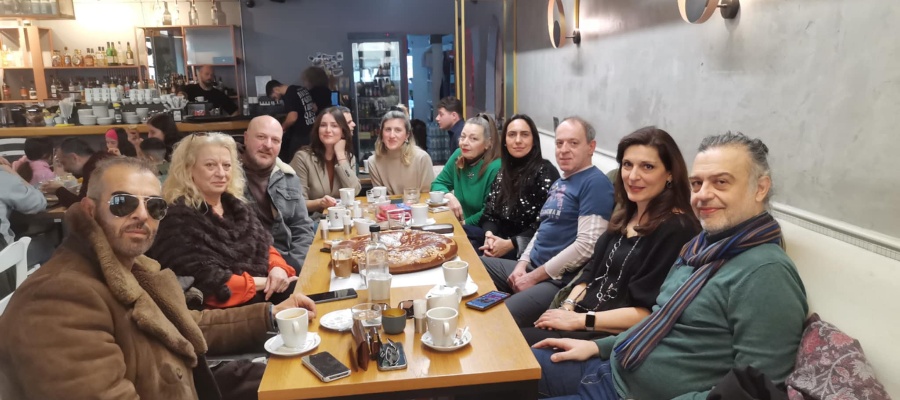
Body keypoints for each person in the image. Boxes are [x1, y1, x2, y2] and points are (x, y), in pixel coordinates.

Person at [0, 157, 317, 399]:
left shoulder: (133, 268)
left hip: (192, 383)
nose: (142, 214)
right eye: (122, 203)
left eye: (154, 206)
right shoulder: (57, 299)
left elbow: (187, 324)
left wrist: (272, 314)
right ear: (90, 209)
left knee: (308, 378)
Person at [533, 132, 808, 400]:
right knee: (510, 365)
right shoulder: (700, 247)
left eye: (721, 182)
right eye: (697, 183)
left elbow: (756, 389)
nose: (703, 195)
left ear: (760, 188)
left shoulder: (766, 272)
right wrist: (598, 347)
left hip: (626, 392)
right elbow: (659, 320)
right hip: (610, 368)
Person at [521, 127, 700, 345]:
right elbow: (589, 275)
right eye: (628, 165)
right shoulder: (625, 216)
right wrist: (566, 308)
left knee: (512, 345)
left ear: (670, 173)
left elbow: (649, 312)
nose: (633, 176)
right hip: (579, 320)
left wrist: (578, 321)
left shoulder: (677, 228)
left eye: (647, 167)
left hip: (611, 340)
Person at [484, 117, 615, 328]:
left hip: (556, 281)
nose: (564, 150)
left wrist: (533, 277)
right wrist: (522, 265)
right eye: (559, 143)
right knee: (471, 267)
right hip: (531, 267)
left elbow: (588, 246)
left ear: (591, 147)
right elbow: (542, 228)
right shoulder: (560, 183)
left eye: (573, 143)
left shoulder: (595, 183)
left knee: (499, 321)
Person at [147, 132, 298, 309]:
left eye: (226, 166)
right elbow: (206, 283)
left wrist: (278, 269)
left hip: (265, 296)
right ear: (188, 169)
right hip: (224, 314)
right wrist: (266, 282)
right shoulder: (176, 220)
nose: (221, 173)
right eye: (210, 165)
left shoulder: (238, 208)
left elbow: (265, 247)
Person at [475, 114, 560, 260]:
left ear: (534, 140)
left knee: (475, 261)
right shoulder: (503, 172)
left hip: (527, 250)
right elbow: (489, 214)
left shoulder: (546, 172)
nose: (518, 140)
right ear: (505, 142)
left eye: (525, 135)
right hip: (498, 241)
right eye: (512, 135)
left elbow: (546, 224)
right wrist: (489, 236)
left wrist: (510, 244)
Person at [241, 115, 315, 270]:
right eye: (261, 137)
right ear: (246, 138)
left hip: (287, 262)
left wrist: (292, 266)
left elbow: (302, 228)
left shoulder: (289, 177)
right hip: (247, 267)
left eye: (275, 140)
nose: (268, 145)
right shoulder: (225, 174)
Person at [431, 114, 502, 225]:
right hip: (458, 224)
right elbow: (437, 184)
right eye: (463, 137)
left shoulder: (496, 166)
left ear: (488, 143)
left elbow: (488, 212)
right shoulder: (458, 155)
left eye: (473, 139)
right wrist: (448, 195)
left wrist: (463, 225)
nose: (464, 143)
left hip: (481, 229)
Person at [290, 107, 361, 216]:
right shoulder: (302, 157)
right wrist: (320, 203)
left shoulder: (348, 157)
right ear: (317, 130)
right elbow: (297, 203)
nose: (328, 130)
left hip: (342, 217)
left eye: (334, 125)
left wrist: (340, 155)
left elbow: (354, 190)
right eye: (323, 125)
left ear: (343, 132)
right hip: (313, 220)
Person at [367, 110, 435, 195]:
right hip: (388, 204)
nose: (392, 135)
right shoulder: (373, 161)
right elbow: (380, 197)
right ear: (381, 134)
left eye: (398, 130)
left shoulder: (421, 158)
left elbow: (427, 195)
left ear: (407, 135)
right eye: (388, 130)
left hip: (417, 203)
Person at [41, 137, 113, 207]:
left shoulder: (95, 169)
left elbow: (82, 205)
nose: (65, 169)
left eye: (64, 163)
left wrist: (58, 190)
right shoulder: (103, 159)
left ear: (74, 158)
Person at [0, 157, 47, 248]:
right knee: (44, 246)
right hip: (4, 252)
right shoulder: (3, 177)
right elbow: (38, 203)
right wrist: (12, 173)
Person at [267, 79, 316, 162]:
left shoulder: (289, 95)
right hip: (312, 131)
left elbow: (293, 117)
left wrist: (282, 128)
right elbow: (314, 107)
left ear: (276, 89)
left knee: (294, 160)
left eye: (274, 97)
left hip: (301, 134)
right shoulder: (301, 89)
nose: (276, 100)